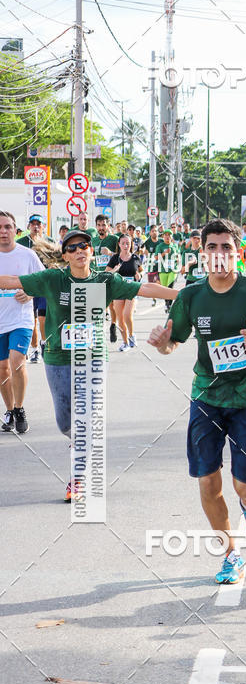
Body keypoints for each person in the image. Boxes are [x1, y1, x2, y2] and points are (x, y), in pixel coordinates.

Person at [147, 217, 246, 584]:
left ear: (238, 252)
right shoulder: (191, 296)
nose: (218, 254)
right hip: (206, 398)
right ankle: (231, 555)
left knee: (244, 487)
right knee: (207, 482)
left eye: (225, 247)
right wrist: (161, 342)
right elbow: (173, 342)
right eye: (211, 247)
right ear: (202, 253)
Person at [0, 228, 178, 500]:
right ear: (65, 256)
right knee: (64, 422)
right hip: (59, 357)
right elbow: (12, 280)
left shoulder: (105, 281)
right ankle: (80, 443)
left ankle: (78, 478)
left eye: (83, 245)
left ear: (91, 250)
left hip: (94, 357)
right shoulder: (52, 278)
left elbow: (145, 288)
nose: (78, 251)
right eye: (71, 248)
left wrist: (180, 295)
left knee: (86, 416)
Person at [0, 211, 45, 433]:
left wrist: (30, 294)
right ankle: (9, 411)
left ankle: (19, 408)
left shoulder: (28, 255)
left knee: (17, 361)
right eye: (0, 227)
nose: (3, 231)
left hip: (21, 319)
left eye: (7, 227)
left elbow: (43, 282)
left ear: (15, 230)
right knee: (2, 369)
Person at [17, 214, 51, 364]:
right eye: (33, 224)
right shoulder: (22, 242)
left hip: (44, 286)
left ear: (44, 226)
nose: (36, 227)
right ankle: (34, 349)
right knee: (31, 319)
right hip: (28, 285)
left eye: (39, 224)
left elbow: (58, 261)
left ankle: (44, 344)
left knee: (43, 318)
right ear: (28, 226)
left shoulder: (49, 242)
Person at [106, 234, 143, 350]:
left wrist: (139, 275)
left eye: (128, 243)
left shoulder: (135, 258)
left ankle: (132, 336)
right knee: (120, 319)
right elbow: (106, 274)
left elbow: (141, 271)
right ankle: (125, 342)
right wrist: (115, 270)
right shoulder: (115, 258)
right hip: (118, 290)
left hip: (132, 289)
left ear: (131, 244)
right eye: (123, 243)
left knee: (127, 314)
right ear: (119, 244)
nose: (126, 245)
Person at [91, 215, 120, 341]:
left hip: (112, 275)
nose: (101, 228)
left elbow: (122, 256)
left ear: (108, 226)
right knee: (98, 305)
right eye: (99, 225)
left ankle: (113, 325)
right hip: (98, 275)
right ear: (96, 226)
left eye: (104, 225)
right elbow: (92, 256)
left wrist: (110, 253)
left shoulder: (115, 239)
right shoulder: (94, 240)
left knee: (112, 305)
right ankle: (97, 333)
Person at [156, 228, 180, 313]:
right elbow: (156, 257)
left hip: (173, 269)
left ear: (171, 237)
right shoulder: (160, 246)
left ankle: (169, 304)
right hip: (163, 270)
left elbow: (178, 255)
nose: (167, 237)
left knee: (170, 286)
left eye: (169, 235)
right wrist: (164, 253)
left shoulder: (175, 246)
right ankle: (167, 304)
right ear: (163, 236)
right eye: (165, 235)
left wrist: (178, 259)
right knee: (164, 289)